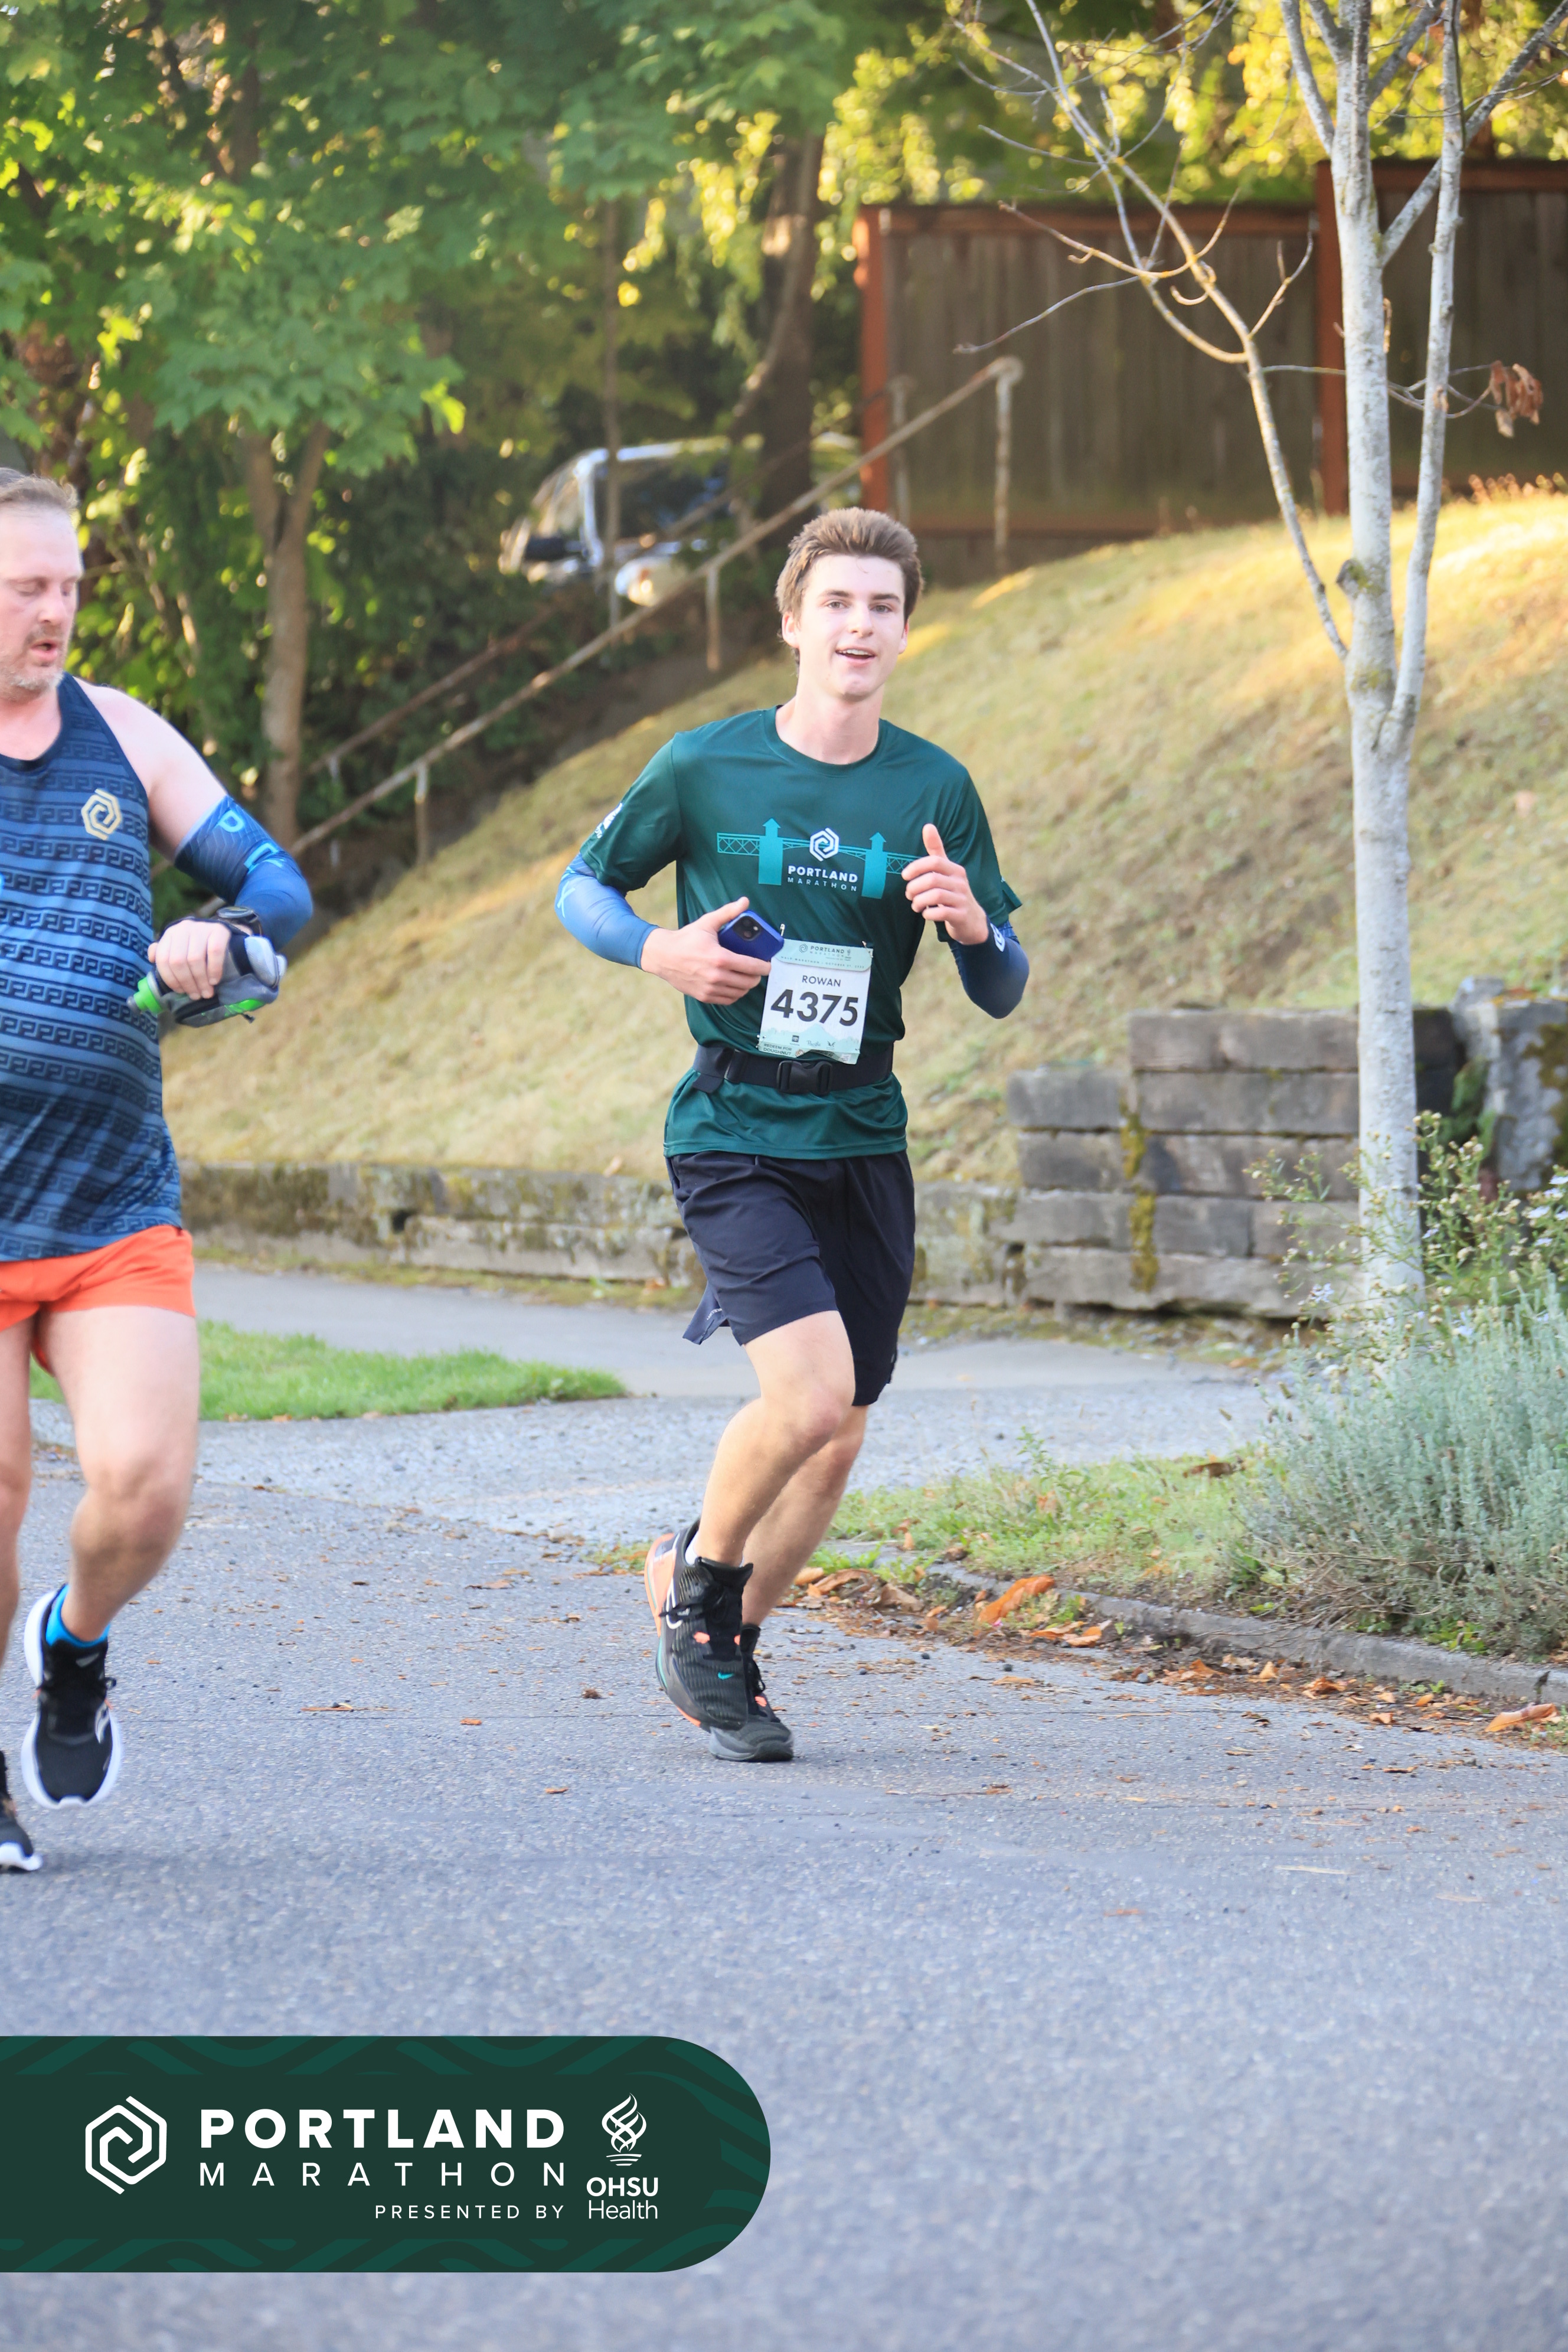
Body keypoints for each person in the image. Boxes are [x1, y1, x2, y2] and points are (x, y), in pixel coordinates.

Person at [555, 507, 1028, 1762]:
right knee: (808, 1396)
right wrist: (659, 949)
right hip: (735, 1120)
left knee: (842, 1424)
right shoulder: (703, 767)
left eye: (883, 607)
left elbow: (1000, 983)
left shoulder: (933, 788)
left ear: (905, 631)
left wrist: (971, 925)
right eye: (837, 604)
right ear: (791, 623)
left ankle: (722, 1640)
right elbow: (581, 886)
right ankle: (701, 1593)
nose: (859, 627)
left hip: (862, 1126)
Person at [0, 471, 311, 1870]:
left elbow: (279, 889)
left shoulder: (122, 735)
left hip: (110, 1192)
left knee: (144, 1490)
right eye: (26, 587)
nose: (54, 610)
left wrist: (222, 936)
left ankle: (73, 1646)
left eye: (68, 585)